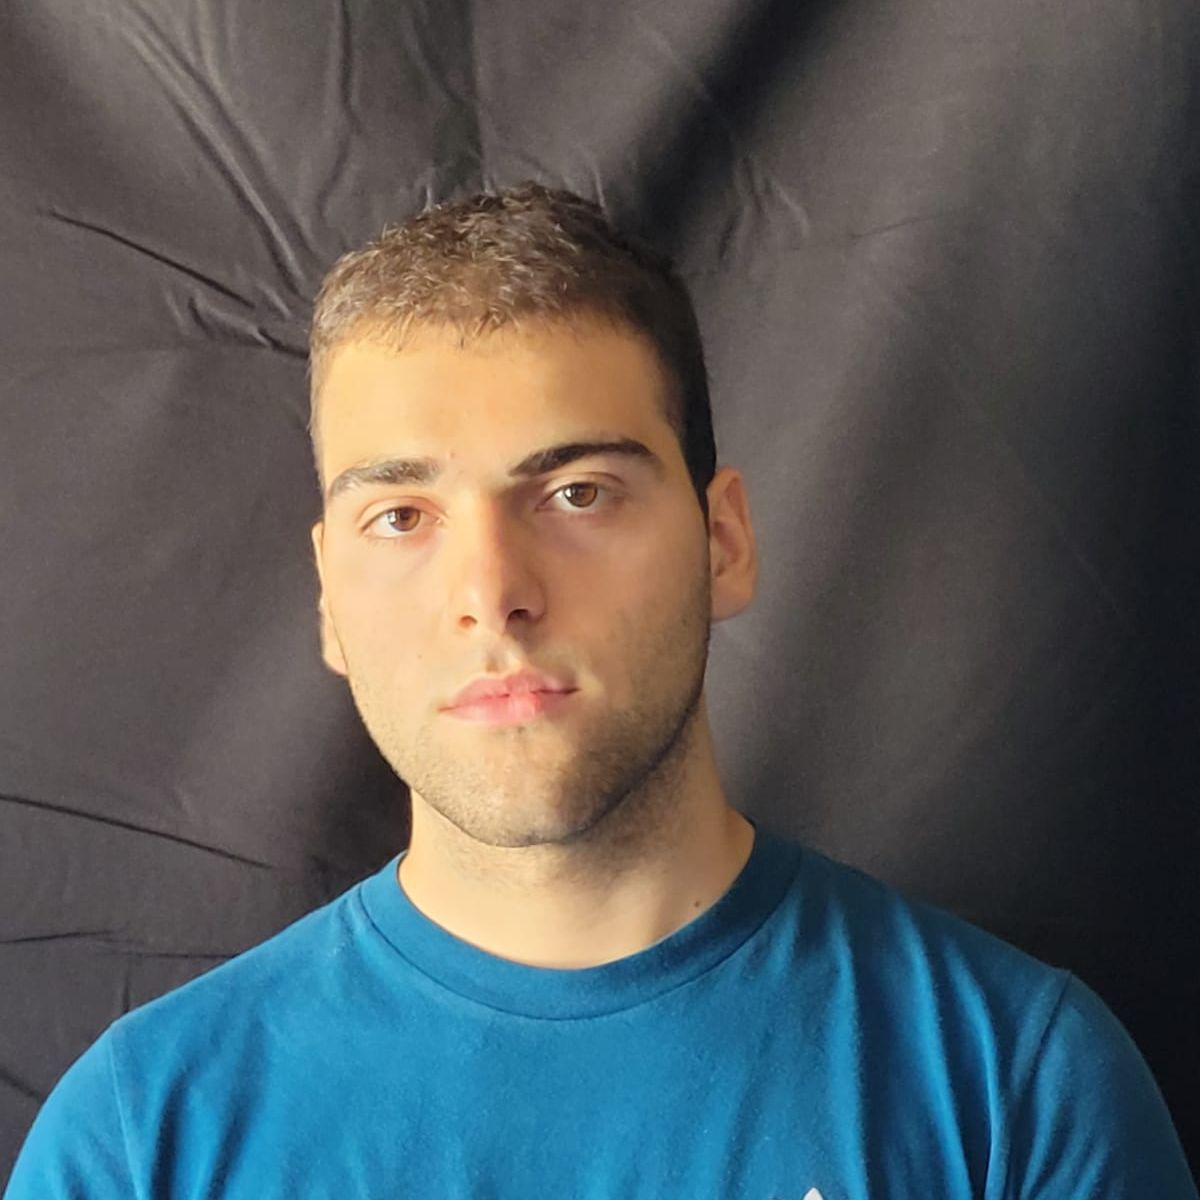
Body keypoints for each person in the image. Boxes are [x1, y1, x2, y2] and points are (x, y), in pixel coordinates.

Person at [5, 184, 1196, 1199]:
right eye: (402, 517)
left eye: (576, 492)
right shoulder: (139, 1140)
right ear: (329, 596)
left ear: (723, 541)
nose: (493, 595)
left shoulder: (1015, 1087)